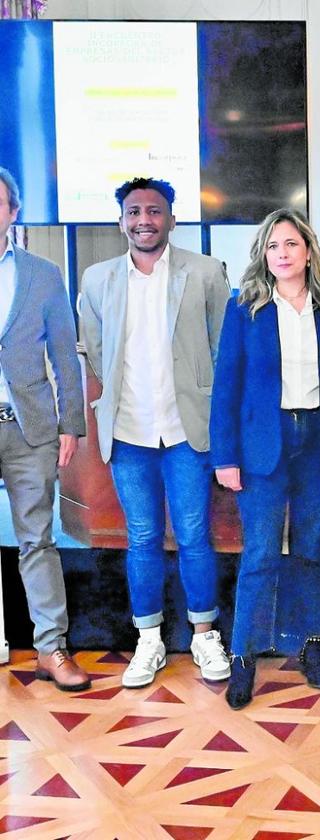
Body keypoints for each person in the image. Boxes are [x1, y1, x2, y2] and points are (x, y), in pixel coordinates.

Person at [78, 177, 231, 689]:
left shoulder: (206, 272)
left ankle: (205, 634)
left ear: (171, 217)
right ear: (122, 219)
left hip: (187, 431)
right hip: (128, 433)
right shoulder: (98, 279)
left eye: (154, 211)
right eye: (134, 211)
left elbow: (219, 348)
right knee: (141, 537)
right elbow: (96, 352)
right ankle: (150, 639)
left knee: (193, 536)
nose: (144, 219)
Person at [209, 209, 320, 709]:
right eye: (273, 246)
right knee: (261, 554)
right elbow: (225, 385)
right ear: (263, 256)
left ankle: (314, 647)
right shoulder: (244, 308)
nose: (283, 254)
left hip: (317, 445)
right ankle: (243, 657)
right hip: (260, 450)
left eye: (291, 244)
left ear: (308, 250)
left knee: (310, 552)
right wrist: (224, 456)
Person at [0, 167, 89, 690]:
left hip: (29, 427)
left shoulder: (43, 274)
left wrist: (70, 425)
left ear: (13, 212)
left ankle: (51, 649)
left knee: (38, 540)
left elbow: (64, 354)